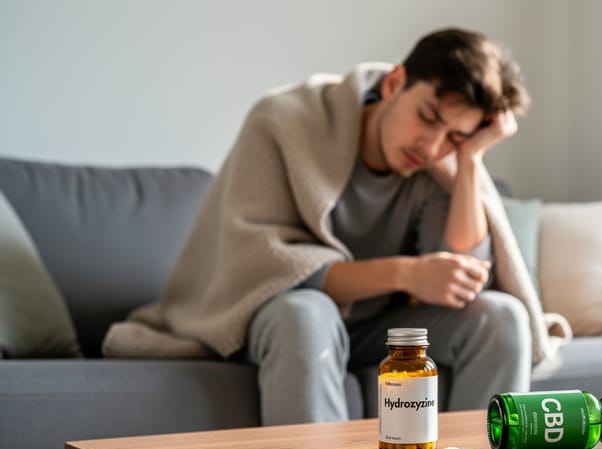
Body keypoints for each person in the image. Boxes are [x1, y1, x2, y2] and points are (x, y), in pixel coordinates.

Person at [102, 27, 569, 424]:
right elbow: (271, 267)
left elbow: (463, 274)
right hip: (278, 318)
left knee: (500, 318)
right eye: (428, 117)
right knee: (307, 311)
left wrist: (470, 161)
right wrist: (407, 273)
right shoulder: (284, 121)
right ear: (394, 83)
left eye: (456, 135)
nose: (431, 146)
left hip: (375, 327)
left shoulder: (438, 165)